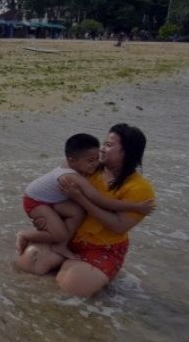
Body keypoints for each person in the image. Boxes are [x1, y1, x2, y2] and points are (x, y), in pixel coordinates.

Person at [15, 124, 156, 297]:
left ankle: (82, 271)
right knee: (27, 265)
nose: (102, 149)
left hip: (102, 247)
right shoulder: (87, 167)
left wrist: (80, 199)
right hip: (68, 236)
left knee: (72, 291)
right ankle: (63, 256)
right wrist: (44, 219)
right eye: (104, 143)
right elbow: (51, 195)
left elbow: (118, 226)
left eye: (109, 145)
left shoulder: (139, 188)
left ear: (128, 152)